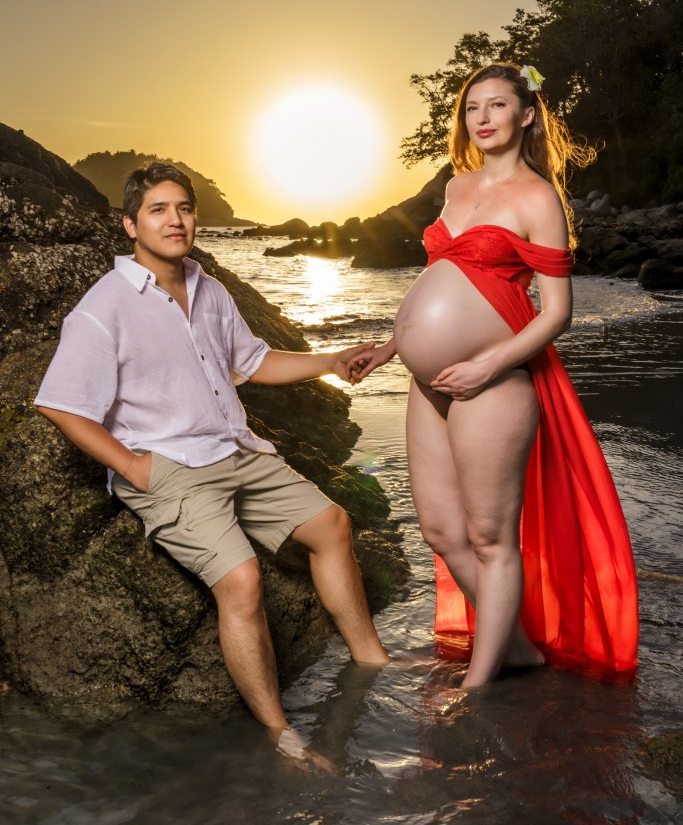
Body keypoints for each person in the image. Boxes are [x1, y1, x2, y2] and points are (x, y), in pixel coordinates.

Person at [35, 161, 389, 761]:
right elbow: (61, 405)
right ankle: (283, 735)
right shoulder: (105, 306)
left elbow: (253, 362)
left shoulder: (208, 287)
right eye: (158, 210)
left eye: (184, 208)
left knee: (332, 524)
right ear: (129, 225)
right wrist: (134, 468)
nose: (175, 221)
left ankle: (372, 659)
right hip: (168, 466)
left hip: (233, 449)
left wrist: (329, 361)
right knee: (243, 581)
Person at [354, 63, 639, 689]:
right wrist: (391, 345)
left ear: (526, 115)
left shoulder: (537, 197)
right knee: (440, 529)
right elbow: (442, 282)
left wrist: (488, 362)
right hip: (428, 383)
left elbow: (557, 312)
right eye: (472, 108)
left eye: (497, 106)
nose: (482, 119)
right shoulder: (457, 188)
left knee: (489, 537)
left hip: (493, 383)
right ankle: (518, 650)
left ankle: (478, 689)